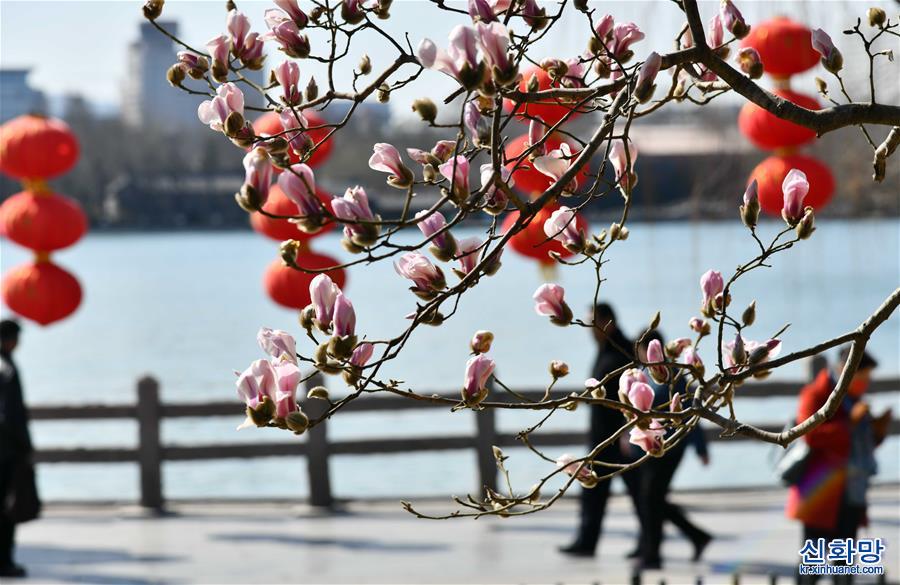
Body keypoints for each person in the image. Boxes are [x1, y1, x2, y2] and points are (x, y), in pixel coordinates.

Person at [786, 348, 892, 584]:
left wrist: (878, 429)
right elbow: (810, 435)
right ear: (847, 372)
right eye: (863, 378)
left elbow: (860, 446)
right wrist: (850, 423)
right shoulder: (815, 394)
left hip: (851, 494)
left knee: (843, 563)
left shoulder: (854, 400)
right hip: (821, 493)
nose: (866, 384)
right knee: (812, 563)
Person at [559, 303, 643, 558]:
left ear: (609, 322)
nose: (589, 329)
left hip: (617, 439)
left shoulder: (620, 353)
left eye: (594, 322)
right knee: (627, 495)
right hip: (604, 439)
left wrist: (626, 436)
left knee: (642, 495)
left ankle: (588, 541)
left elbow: (630, 397)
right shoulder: (607, 349)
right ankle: (587, 541)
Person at [631, 330, 712, 570]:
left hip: (671, 449)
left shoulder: (673, 375)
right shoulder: (644, 374)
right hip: (654, 448)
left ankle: (652, 555)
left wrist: (701, 449)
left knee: (651, 500)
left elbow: (691, 413)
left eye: (641, 348)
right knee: (653, 500)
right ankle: (695, 536)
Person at [0, 319, 32, 578]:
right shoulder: (6, 368)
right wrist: (23, 448)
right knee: (6, 510)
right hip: (6, 453)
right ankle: (4, 561)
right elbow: (10, 415)